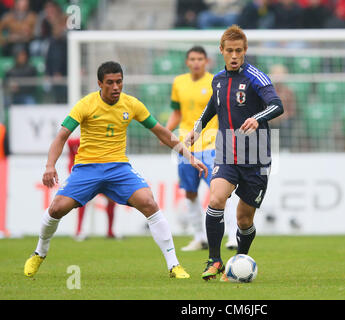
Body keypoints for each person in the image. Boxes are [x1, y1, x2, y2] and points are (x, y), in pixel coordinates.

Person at [24, 61, 208, 279]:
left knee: (149, 202)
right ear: (99, 83)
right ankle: (39, 253)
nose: (115, 87)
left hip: (118, 169)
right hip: (87, 168)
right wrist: (49, 165)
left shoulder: (131, 104)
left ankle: (174, 265)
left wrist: (189, 156)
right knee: (56, 209)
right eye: (110, 83)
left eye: (119, 82)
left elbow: (161, 132)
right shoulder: (86, 104)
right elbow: (62, 136)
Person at [185, 25, 284, 281]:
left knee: (243, 220)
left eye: (238, 51)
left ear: (245, 50)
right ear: (221, 51)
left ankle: (239, 260)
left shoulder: (256, 77)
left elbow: (277, 105)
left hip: (256, 157)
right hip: (228, 153)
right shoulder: (217, 79)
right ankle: (215, 260)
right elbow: (211, 109)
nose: (234, 55)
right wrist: (196, 130)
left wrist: (256, 118)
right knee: (216, 200)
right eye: (229, 50)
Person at [165, 46, 237, 251]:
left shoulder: (216, 81)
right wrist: (166, 131)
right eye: (192, 59)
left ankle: (232, 235)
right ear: (187, 62)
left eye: (200, 59)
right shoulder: (179, 82)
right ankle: (200, 237)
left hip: (212, 144)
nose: (196, 62)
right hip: (185, 146)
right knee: (189, 192)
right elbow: (177, 113)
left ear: (206, 61)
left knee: (220, 191)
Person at [67, 137, 117, 240]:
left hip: (101, 175)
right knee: (82, 201)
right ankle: (79, 231)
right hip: (85, 177)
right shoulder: (74, 143)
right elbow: (71, 161)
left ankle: (110, 232)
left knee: (112, 199)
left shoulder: (103, 141)